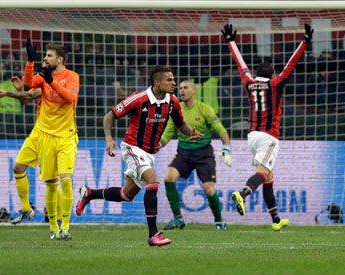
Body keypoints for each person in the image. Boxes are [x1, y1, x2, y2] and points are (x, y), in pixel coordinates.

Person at [75, 65, 203, 247]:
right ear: (157, 82)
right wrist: (109, 138)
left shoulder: (172, 101)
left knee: (125, 195)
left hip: (150, 153)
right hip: (133, 148)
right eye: (169, 80)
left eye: (173, 79)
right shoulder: (139, 99)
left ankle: (88, 194)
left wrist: (191, 133)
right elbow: (109, 116)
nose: (174, 83)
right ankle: (153, 234)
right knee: (153, 182)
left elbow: (180, 124)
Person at [221, 23, 313, 231]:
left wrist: (231, 41)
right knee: (263, 173)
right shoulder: (275, 84)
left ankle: (276, 220)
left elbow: (241, 65)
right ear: (272, 75)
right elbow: (291, 64)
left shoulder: (249, 83)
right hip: (269, 136)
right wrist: (305, 42)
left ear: (257, 73)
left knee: (269, 177)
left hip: (252, 135)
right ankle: (242, 193)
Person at [23, 38, 80, 240]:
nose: (45, 58)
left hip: (66, 136)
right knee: (50, 183)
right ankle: (53, 228)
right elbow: (28, 84)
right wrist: (30, 61)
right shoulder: (42, 74)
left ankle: (65, 226)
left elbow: (70, 97)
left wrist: (51, 81)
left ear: (60, 59)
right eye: (45, 55)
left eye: (49, 55)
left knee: (66, 181)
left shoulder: (72, 76)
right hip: (46, 136)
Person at [159, 80, 231, 230]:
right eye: (180, 88)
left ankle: (219, 221)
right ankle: (178, 218)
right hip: (184, 153)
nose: (182, 91)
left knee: (209, 189)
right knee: (168, 177)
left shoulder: (204, 109)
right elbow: (168, 133)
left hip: (203, 153)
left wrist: (226, 148)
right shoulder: (176, 111)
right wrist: (158, 145)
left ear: (194, 91)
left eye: (185, 88)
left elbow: (221, 129)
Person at [0, 76, 63, 226]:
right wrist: (20, 90)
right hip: (36, 133)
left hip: (51, 135)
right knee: (18, 168)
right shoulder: (43, 81)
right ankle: (26, 209)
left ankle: (60, 216)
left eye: (49, 57)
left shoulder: (60, 82)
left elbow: (31, 95)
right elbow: (26, 100)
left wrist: (7, 93)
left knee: (49, 179)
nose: (46, 60)